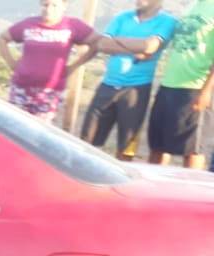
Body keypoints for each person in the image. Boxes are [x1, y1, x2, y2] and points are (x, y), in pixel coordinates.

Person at [82, 1, 177, 161]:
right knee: (87, 140)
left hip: (136, 89)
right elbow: (102, 44)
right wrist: (137, 48)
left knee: (126, 145)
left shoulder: (167, 21)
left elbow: (150, 47)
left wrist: (118, 42)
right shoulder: (122, 17)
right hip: (108, 85)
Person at [0, 0, 101, 123]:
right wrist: (12, 63)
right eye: (45, 5)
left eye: (54, 5)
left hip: (50, 93)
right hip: (21, 89)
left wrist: (74, 66)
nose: (48, 9)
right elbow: (2, 38)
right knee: (13, 127)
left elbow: (97, 42)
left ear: (64, 6)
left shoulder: (72, 25)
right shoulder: (29, 24)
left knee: (40, 133)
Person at [148, 0, 214, 169]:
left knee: (192, 150)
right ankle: (156, 189)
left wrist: (206, 91)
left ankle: (193, 193)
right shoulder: (191, 6)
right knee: (158, 146)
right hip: (169, 85)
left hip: (195, 87)